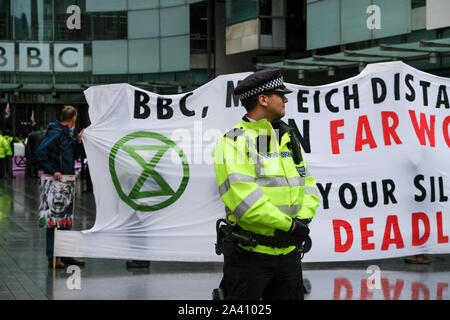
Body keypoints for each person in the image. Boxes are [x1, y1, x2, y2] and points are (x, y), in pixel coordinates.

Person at [212, 67, 321, 300]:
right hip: (250, 256)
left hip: (289, 254)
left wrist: (303, 219)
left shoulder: (287, 136)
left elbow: (308, 183)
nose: (285, 99)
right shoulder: (234, 141)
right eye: (280, 94)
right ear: (262, 99)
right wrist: (291, 226)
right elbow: (244, 200)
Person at [35, 105, 85, 269]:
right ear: (73, 119)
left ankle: (66, 256)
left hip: (66, 181)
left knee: (65, 221)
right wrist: (52, 170)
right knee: (53, 221)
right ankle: (53, 258)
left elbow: (75, 154)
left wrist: (78, 141)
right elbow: (40, 153)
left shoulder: (65, 134)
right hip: (57, 180)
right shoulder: (57, 133)